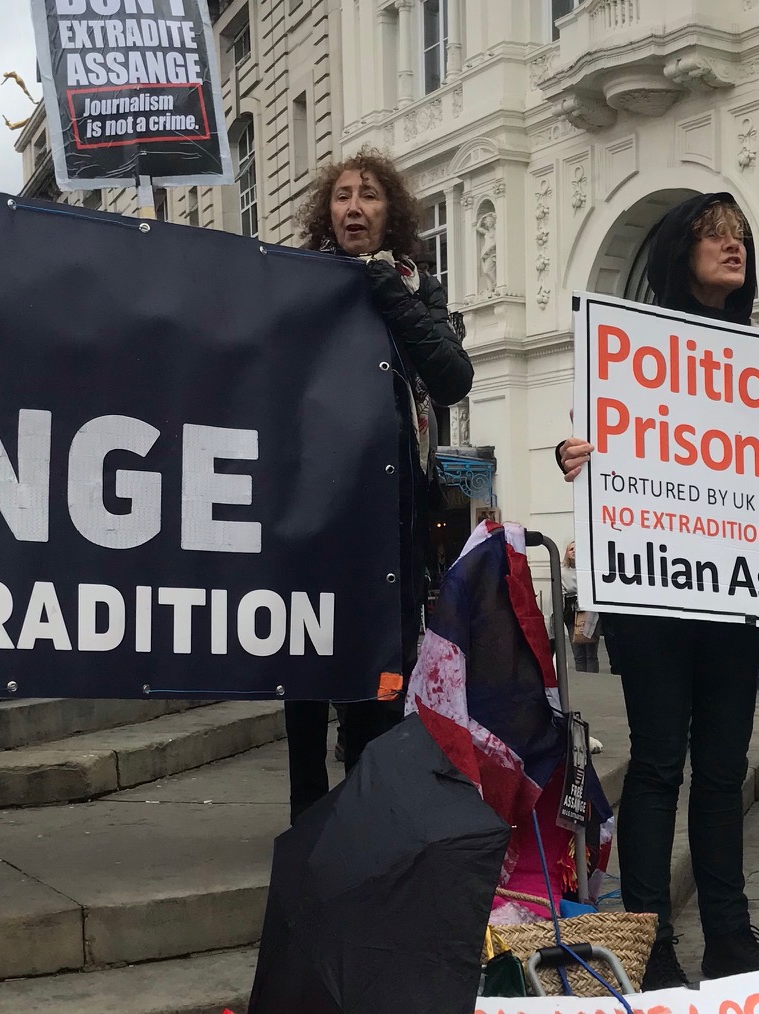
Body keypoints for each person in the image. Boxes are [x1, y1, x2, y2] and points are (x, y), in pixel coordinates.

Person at [550, 192, 759, 988]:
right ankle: (648, 942)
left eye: (741, 236)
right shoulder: (630, 346)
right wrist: (572, 455)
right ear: (681, 249)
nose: (732, 246)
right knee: (657, 765)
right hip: (653, 595)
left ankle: (728, 934)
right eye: (715, 235)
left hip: (733, 595)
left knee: (721, 770)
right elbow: (598, 438)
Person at [279, 151, 474, 817]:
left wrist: (385, 288)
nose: (353, 207)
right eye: (341, 196)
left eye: (367, 196)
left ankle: (364, 812)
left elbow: (452, 376)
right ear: (325, 212)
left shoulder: (419, 286)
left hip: (394, 519)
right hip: (315, 509)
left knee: (382, 671)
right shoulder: (302, 282)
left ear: (391, 212)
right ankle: (308, 812)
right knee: (305, 668)